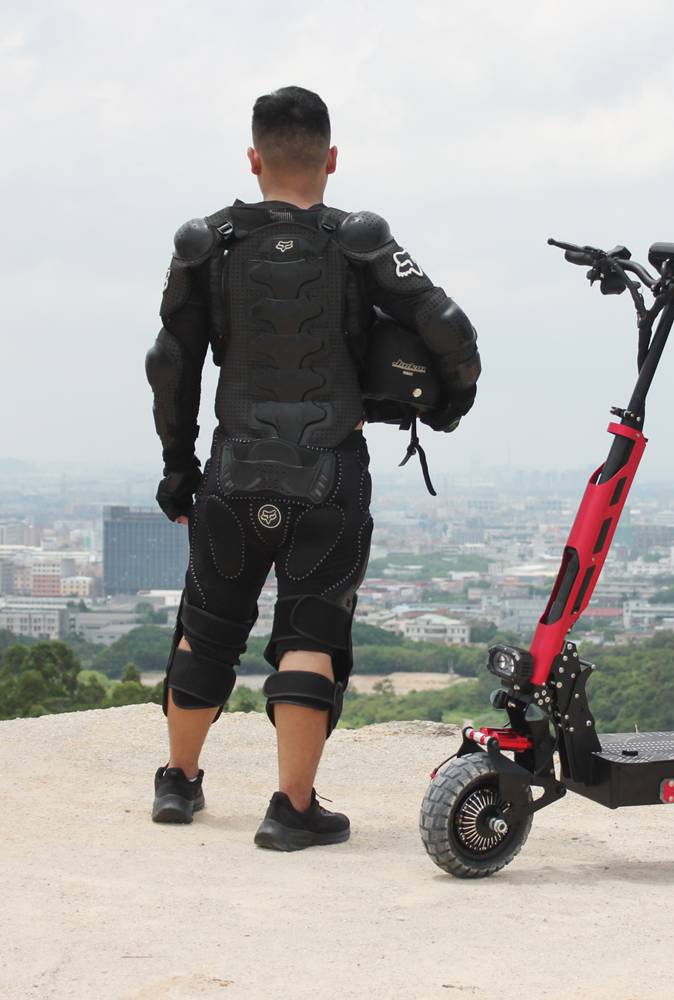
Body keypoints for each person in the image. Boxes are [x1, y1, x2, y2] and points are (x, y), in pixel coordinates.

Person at [145, 86, 481, 850]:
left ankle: (178, 782)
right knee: (311, 630)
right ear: (331, 159)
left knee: (208, 623)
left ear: (253, 159)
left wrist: (177, 465)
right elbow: (447, 325)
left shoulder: (206, 242)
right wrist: (449, 403)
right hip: (329, 469)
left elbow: (171, 362)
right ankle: (291, 809)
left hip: (233, 467)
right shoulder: (361, 241)